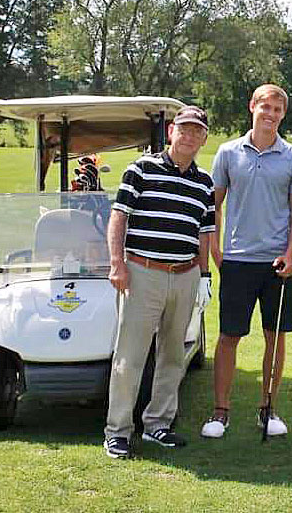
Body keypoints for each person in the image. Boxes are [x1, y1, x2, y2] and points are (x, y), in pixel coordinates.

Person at [103, 106, 214, 459]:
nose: (190, 136)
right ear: (171, 132)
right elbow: (119, 218)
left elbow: (204, 234)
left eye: (197, 131)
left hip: (184, 276)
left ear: (204, 138)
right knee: (130, 356)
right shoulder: (140, 169)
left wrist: (205, 276)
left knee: (173, 356)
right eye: (185, 129)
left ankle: (158, 425)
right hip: (143, 273)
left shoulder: (205, 182)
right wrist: (117, 263)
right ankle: (117, 430)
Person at [201, 84, 292, 438]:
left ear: (283, 114)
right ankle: (221, 411)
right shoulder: (229, 152)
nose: (271, 114)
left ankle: (268, 408)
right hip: (237, 260)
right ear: (253, 107)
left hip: (277, 264)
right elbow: (212, 207)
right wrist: (216, 252)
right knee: (229, 336)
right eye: (266, 107)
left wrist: (291, 255)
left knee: (274, 338)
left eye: (278, 109)